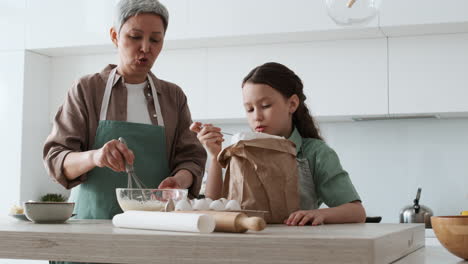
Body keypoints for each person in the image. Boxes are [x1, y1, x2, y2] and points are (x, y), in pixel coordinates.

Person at [43, 0, 206, 222]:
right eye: (135, 37)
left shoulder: (173, 97)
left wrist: (179, 181)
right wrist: (96, 156)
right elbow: (56, 160)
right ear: (114, 36)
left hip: (156, 226)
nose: (146, 47)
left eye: (155, 40)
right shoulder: (87, 90)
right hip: (92, 225)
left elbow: (191, 160)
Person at [191, 62, 366, 226]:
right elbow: (212, 209)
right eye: (249, 109)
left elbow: (357, 212)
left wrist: (319, 214)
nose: (256, 116)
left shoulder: (315, 153)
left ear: (292, 104)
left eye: (265, 105)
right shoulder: (239, 151)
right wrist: (214, 157)